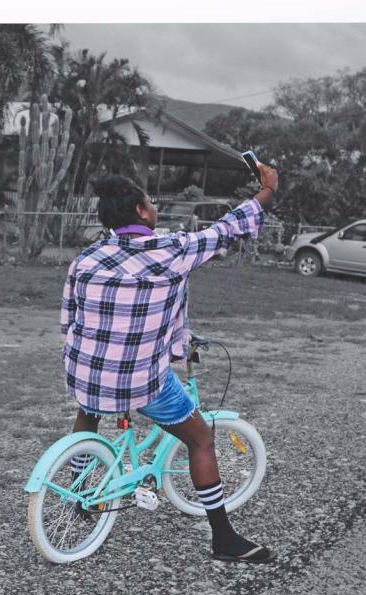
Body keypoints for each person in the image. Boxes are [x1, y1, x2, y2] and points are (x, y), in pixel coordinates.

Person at [60, 165, 279, 563]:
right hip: (141, 380)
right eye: (151, 202)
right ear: (143, 212)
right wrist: (266, 190)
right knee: (200, 438)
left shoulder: (86, 259)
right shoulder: (173, 250)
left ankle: (79, 493)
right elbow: (230, 227)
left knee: (89, 410)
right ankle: (223, 538)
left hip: (87, 372)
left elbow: (68, 319)